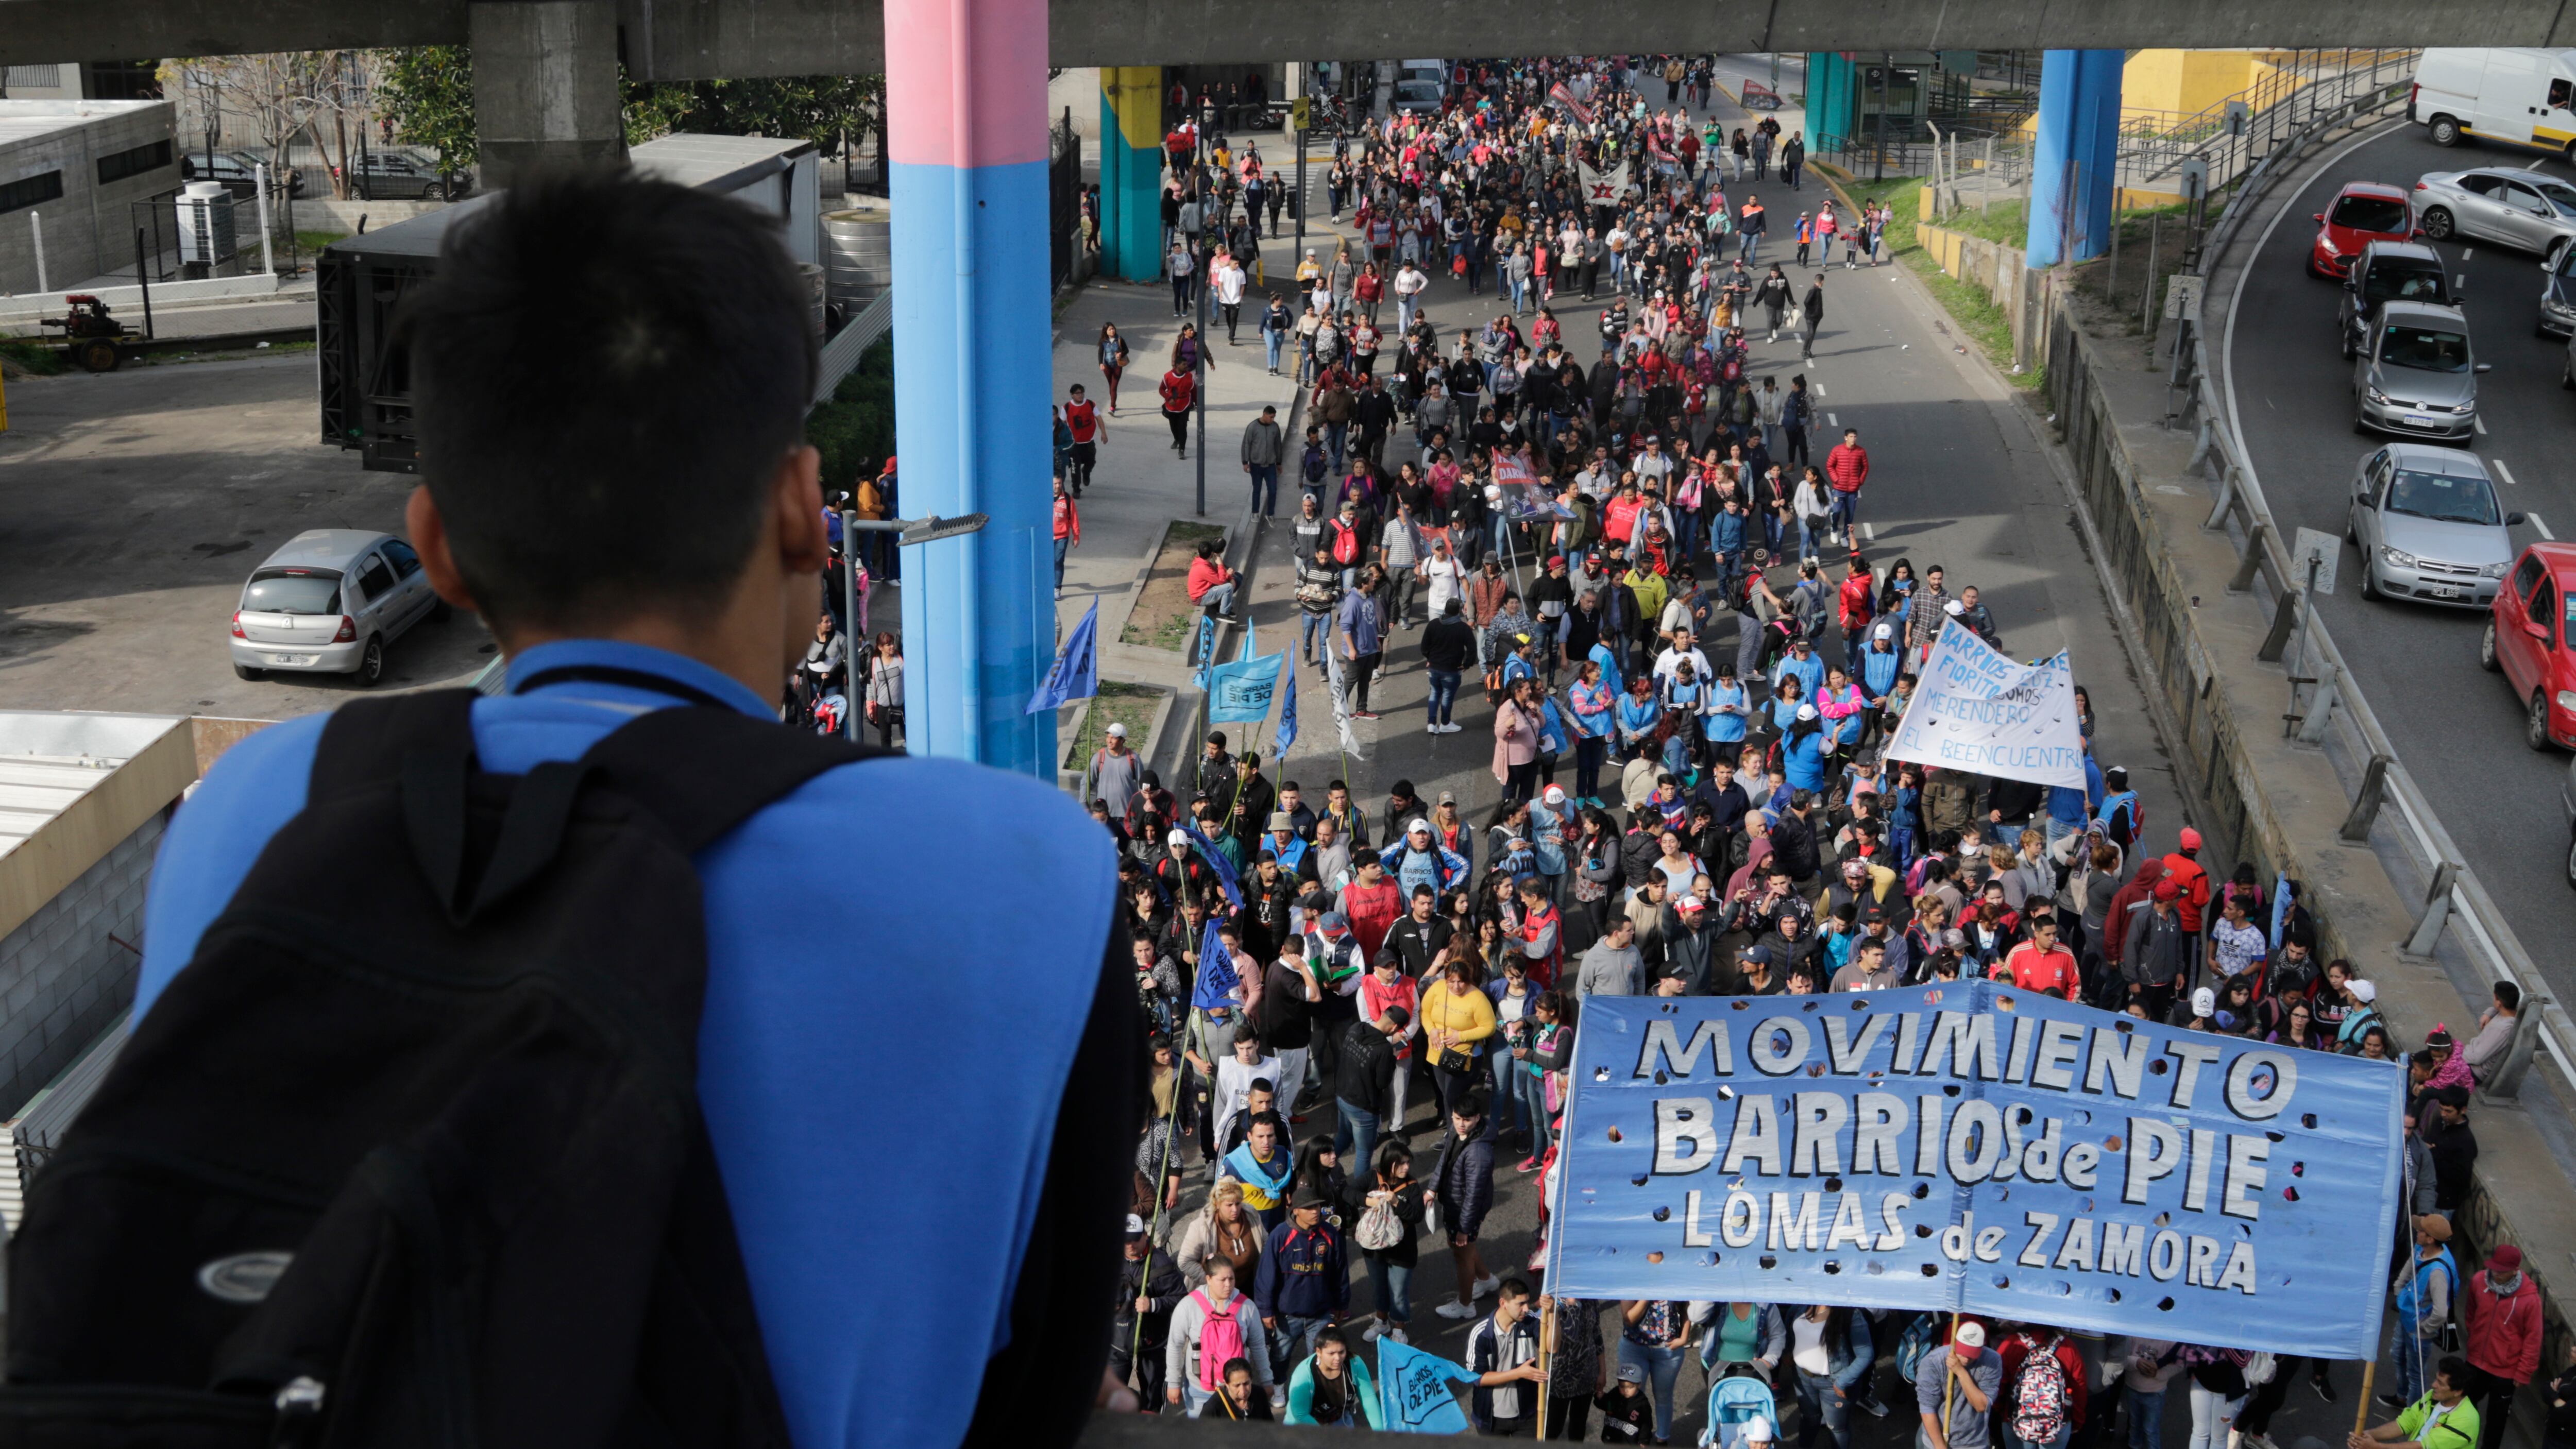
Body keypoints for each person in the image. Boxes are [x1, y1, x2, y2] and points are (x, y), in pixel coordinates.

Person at [101, 169, 1139, 1444]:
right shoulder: (1027, 877)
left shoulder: (253, 810)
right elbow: (1031, 1390)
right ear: (805, 511)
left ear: (437, 548)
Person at [2458, 1243, 2541, 1449]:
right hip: (2476, 1361)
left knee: (2497, 1421)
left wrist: (2523, 1373)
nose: (2496, 1274)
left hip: (2506, 1372)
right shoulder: (2479, 1281)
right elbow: (2471, 1314)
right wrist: (2475, 1338)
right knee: (2463, 1407)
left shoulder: (2530, 1300)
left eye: (2502, 1271)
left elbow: (2533, 1339)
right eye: (2494, 1268)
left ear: (2515, 1270)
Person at [1167, 1256, 1272, 1416]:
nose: (1228, 1285)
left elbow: (1259, 1346)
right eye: (1222, 1280)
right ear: (1208, 1279)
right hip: (1199, 1390)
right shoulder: (1188, 1306)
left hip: (1238, 1393)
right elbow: (1175, 1345)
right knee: (1203, 1437)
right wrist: (1173, 1382)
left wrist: (1267, 1380)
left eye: (1232, 1278)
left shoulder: (1247, 1307)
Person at [1431, 1092, 1500, 1322]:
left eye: (1467, 1120)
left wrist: (1464, 1227)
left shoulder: (1479, 1153)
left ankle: (1465, 1304)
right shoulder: (1457, 1132)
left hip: (1463, 1211)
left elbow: (1474, 1195)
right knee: (1464, 1248)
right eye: (1457, 1118)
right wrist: (1432, 1189)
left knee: (1462, 1252)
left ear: (1477, 1118)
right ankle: (1486, 1279)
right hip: (1454, 1204)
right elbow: (1445, 1159)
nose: (1461, 1124)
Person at [1464, 1277, 1549, 1436]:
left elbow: (1552, 1347)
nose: (1526, 1309)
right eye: (1520, 1304)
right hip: (1492, 1420)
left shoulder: (1529, 1321)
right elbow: (1477, 1378)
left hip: (1527, 1416)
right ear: (1503, 1303)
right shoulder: (1481, 1334)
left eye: (1527, 1302)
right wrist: (1519, 1374)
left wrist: (1552, 1314)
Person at [2351, 1357, 2483, 1449]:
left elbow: (2423, 1447)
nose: (2433, 1385)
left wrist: (2376, 1447)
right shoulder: (2433, 1396)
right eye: (2436, 1379)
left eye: (2441, 1384)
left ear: (2458, 1392)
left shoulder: (2466, 1420)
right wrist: (2366, 1435)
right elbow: (2405, 1423)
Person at [1919, 1319, 2003, 1449]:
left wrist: (1960, 1371)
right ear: (1954, 1343)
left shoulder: (1992, 1361)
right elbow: (1927, 1409)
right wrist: (1940, 1447)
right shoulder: (1932, 1362)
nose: (1966, 1358)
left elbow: (1981, 1406)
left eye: (1972, 1354)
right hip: (1937, 1441)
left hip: (1974, 1442)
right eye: (1963, 1351)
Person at [1284, 1325, 1381, 1426]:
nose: (1338, 1358)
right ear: (1319, 1352)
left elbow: (1368, 1398)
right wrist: (1327, 1437)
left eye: (1341, 1352)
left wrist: (1380, 1432)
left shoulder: (1355, 1363)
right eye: (1331, 1353)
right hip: (1306, 1424)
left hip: (1339, 1418)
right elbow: (1300, 1415)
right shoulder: (1303, 1375)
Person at [1242, 403, 1285, 516]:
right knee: (1257, 489)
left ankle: (1270, 514)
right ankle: (1255, 512)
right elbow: (1246, 444)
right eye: (1271, 417)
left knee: (1273, 490)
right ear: (1264, 414)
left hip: (1270, 465)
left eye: (1274, 417)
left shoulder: (1275, 427)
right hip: (1256, 465)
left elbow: (1278, 446)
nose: (1273, 419)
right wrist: (1245, 462)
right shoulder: (1253, 427)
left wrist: (1279, 462)